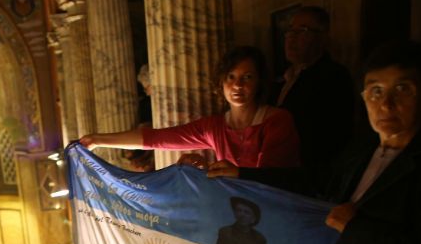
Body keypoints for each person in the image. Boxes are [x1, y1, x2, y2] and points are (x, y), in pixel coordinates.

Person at [324, 40, 421, 244]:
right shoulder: (361, 149)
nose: (386, 104)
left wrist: (353, 230)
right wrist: (242, 175)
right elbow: (318, 183)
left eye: (402, 89)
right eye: (376, 91)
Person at [80, 46, 300, 170]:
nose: (238, 85)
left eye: (247, 77)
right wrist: (98, 140)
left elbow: (271, 176)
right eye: (231, 77)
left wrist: (217, 171)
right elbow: (158, 138)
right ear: (221, 82)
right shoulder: (214, 127)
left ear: (259, 81)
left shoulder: (277, 120)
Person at [274, 6, 354, 178]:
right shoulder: (283, 77)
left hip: (308, 177)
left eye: (302, 30)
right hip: (278, 171)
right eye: (290, 30)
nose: (291, 37)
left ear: (322, 37)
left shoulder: (334, 77)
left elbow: (333, 139)